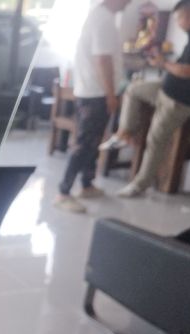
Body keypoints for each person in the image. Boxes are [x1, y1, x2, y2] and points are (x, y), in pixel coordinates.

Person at [101, 0, 190, 198]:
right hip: (166, 89)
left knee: (156, 140)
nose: (178, 24)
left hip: (180, 101)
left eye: (178, 19)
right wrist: (164, 64)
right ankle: (125, 133)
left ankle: (140, 185)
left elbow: (188, 71)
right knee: (133, 89)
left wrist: (163, 63)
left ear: (188, 16)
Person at [54, 0, 132, 214]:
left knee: (93, 142)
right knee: (83, 144)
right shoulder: (103, 20)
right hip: (96, 94)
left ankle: (87, 185)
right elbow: (102, 60)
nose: (130, 2)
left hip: (94, 92)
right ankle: (63, 193)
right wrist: (110, 94)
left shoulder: (100, 17)